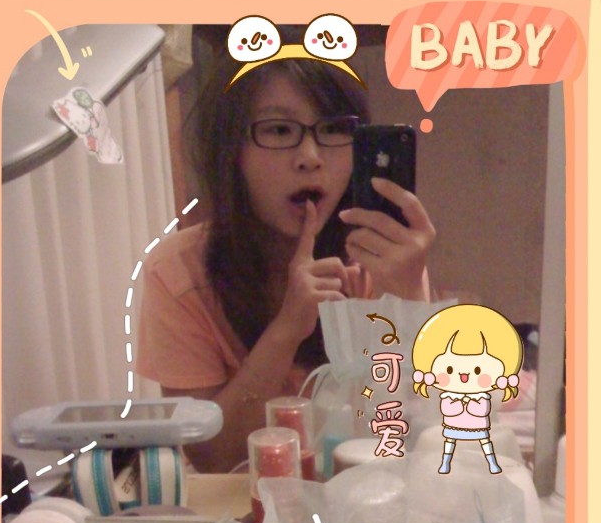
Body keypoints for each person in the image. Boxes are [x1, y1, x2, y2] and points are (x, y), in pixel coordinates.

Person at [137, 51, 435, 473]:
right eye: (279, 130)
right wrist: (288, 329)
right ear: (231, 151)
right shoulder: (178, 273)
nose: (310, 156)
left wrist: (407, 298)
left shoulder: (381, 258)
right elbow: (212, 457)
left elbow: (418, 434)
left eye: (333, 129)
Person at [411, 304, 523, 474]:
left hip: (480, 426)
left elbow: (491, 404)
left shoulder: (486, 390)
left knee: (486, 443)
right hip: (451, 426)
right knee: (449, 442)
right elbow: (446, 408)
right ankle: (446, 463)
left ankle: (492, 463)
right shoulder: (444, 390)